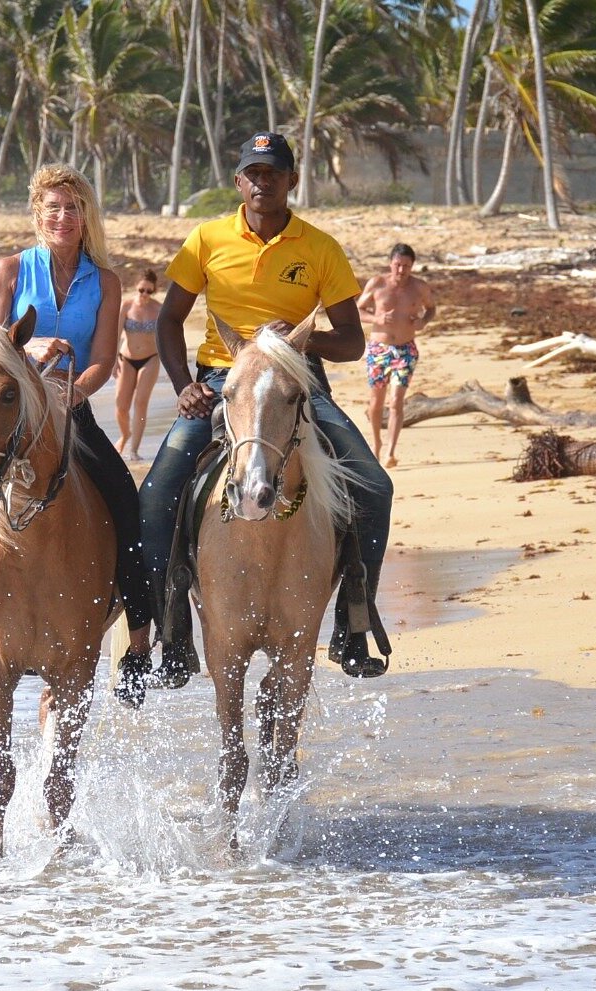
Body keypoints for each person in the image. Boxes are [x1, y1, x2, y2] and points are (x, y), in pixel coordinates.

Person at [140, 131, 394, 683]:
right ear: (238, 182)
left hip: (298, 383)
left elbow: (352, 341)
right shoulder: (206, 240)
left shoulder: (319, 247)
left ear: (291, 181)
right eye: (253, 174)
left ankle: (353, 624)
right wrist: (185, 385)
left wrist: (298, 342)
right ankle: (171, 632)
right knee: (157, 493)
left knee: (374, 486)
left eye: (273, 173)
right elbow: (167, 321)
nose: (263, 183)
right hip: (221, 379)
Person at [0, 163, 154, 708]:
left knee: (129, 506)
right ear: (38, 215)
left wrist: (70, 395)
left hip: (69, 410)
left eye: (73, 207)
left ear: (86, 215)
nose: (63, 217)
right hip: (7, 410)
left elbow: (105, 361)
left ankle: (137, 647)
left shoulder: (105, 281)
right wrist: (30, 354)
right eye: (53, 208)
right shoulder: (12, 270)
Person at [356, 243, 436, 467]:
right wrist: (377, 319)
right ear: (390, 263)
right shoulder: (377, 283)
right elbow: (358, 309)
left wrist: (423, 321)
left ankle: (391, 451)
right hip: (378, 349)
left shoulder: (419, 287)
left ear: (412, 266)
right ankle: (376, 443)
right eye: (398, 265)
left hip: (405, 349)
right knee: (376, 402)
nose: (401, 271)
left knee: (397, 401)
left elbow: (431, 308)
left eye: (406, 266)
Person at [113, 268, 162, 461]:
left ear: (154, 290)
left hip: (150, 359)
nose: (145, 295)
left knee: (141, 403)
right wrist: (111, 362)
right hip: (126, 359)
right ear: (136, 287)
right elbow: (115, 335)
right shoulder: (126, 306)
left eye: (149, 291)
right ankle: (125, 435)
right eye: (142, 290)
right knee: (121, 406)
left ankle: (134, 450)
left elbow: (167, 336)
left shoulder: (158, 309)